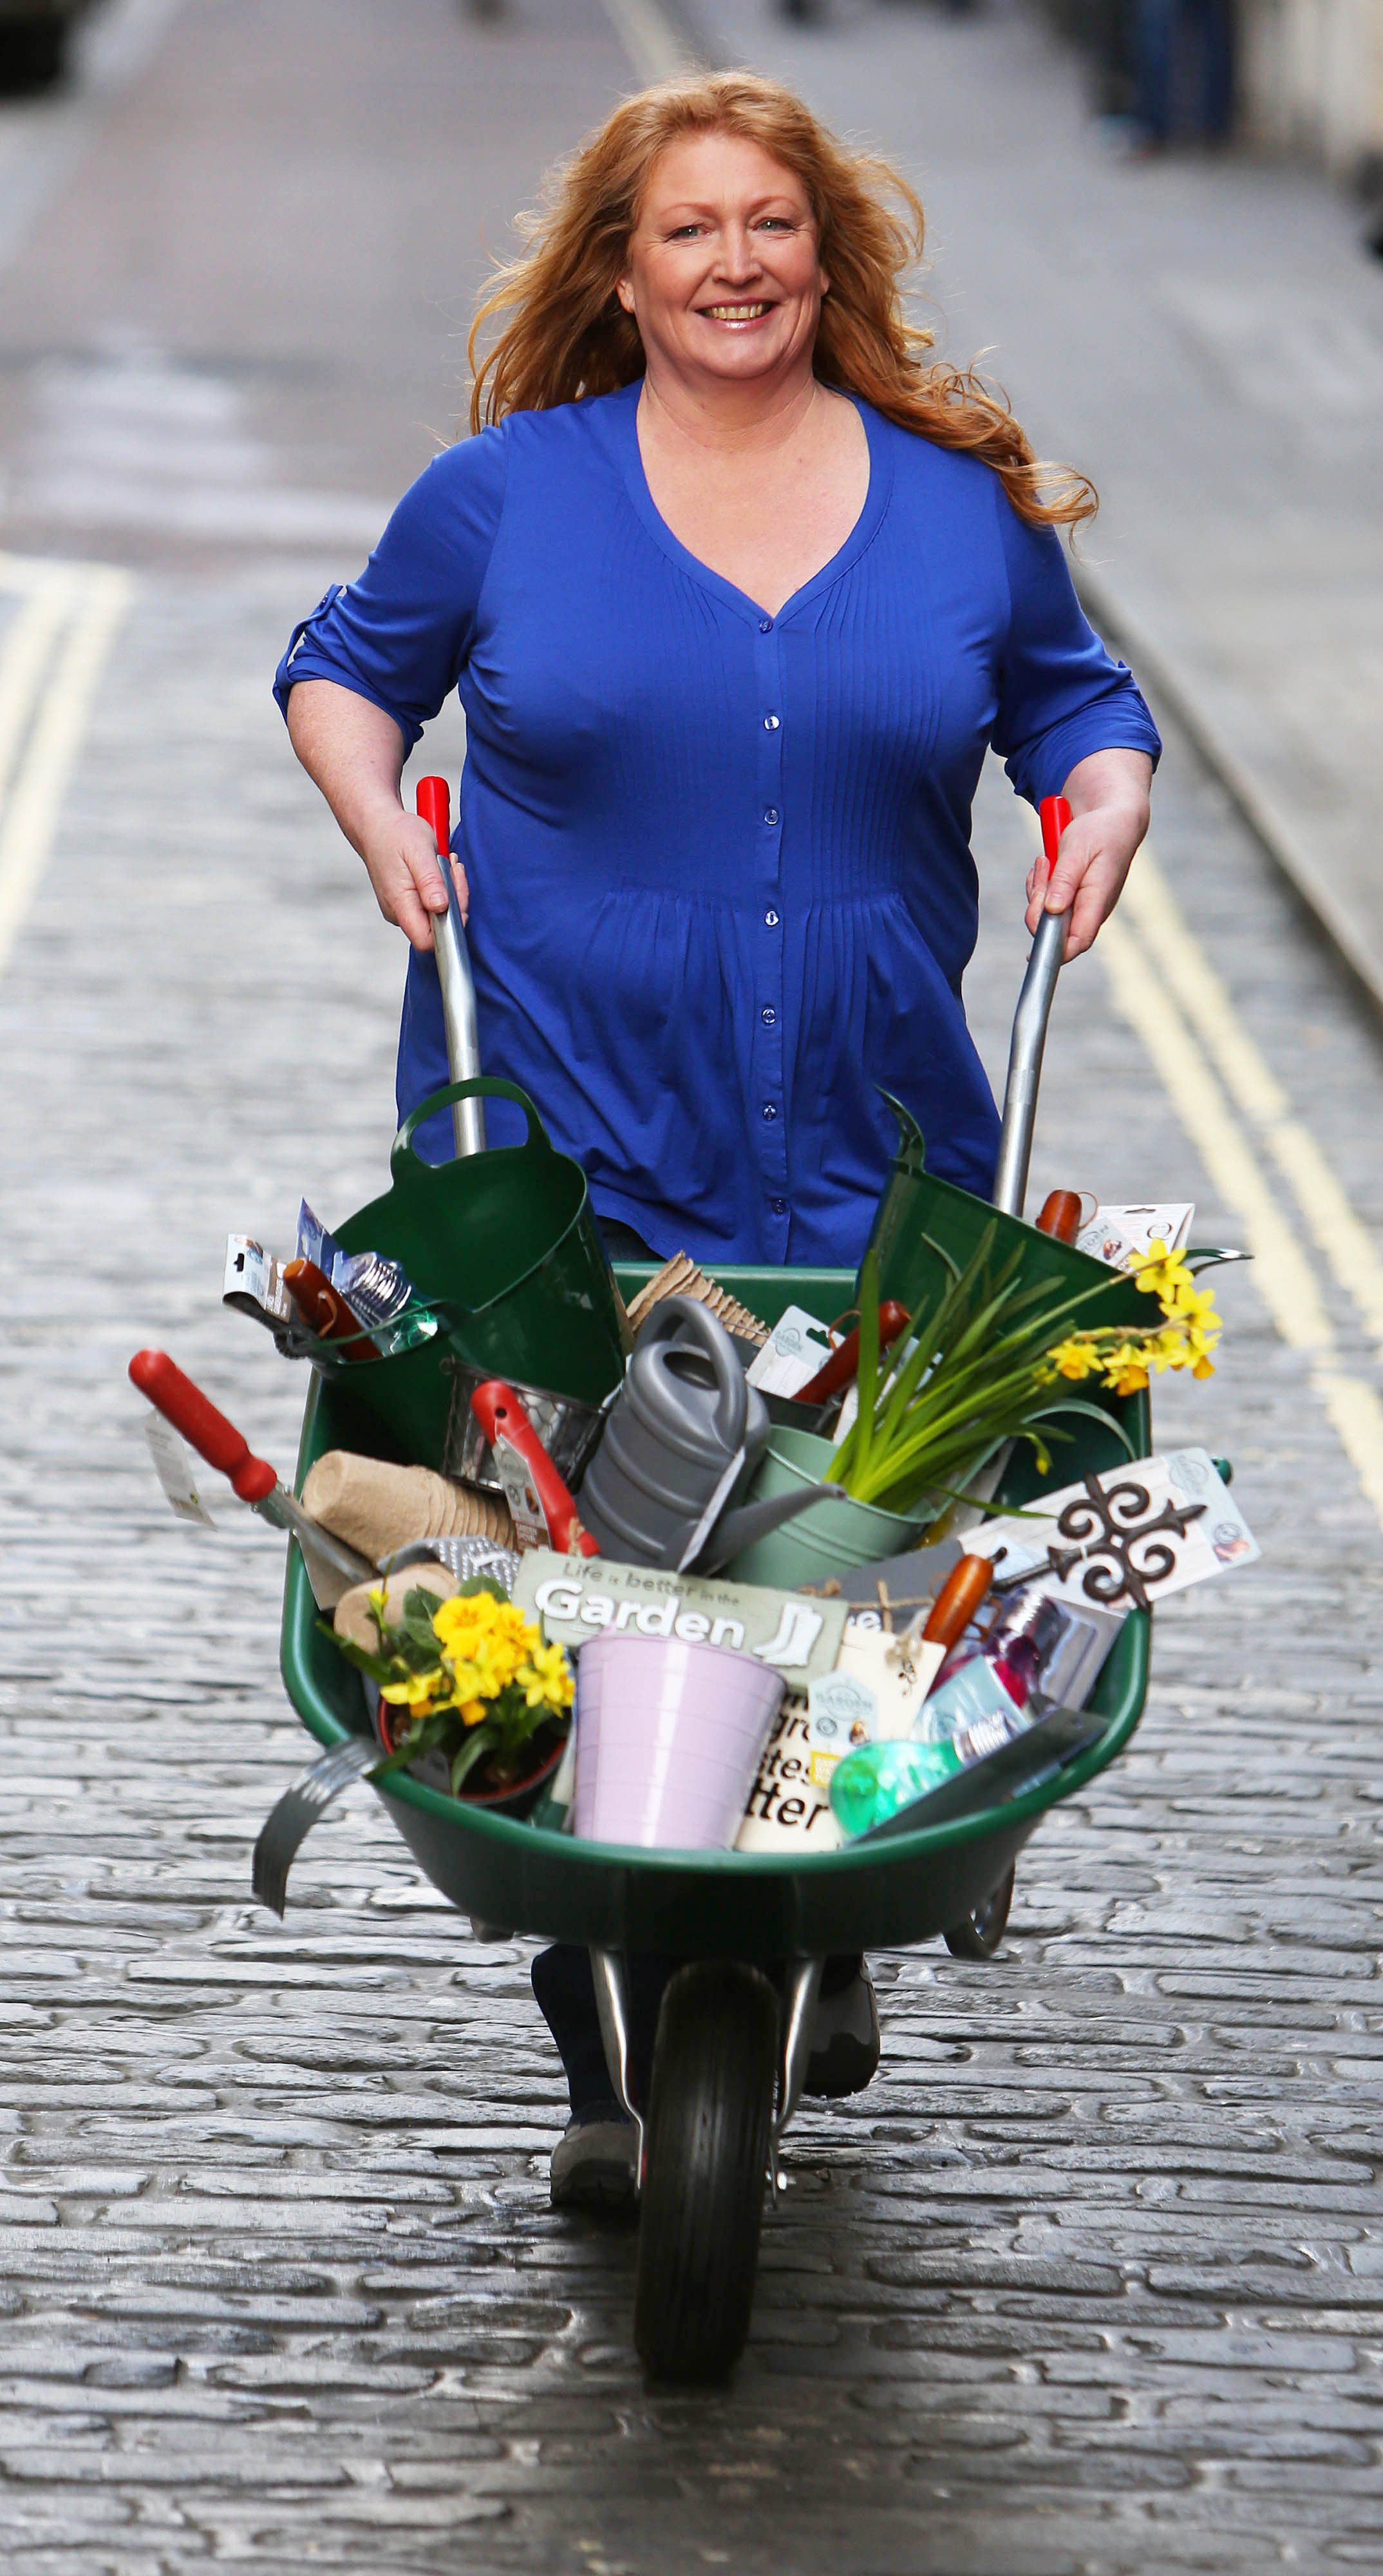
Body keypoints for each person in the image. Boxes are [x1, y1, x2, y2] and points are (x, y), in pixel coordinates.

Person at [274, 71, 1159, 2210]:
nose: (735, 263)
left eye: (772, 225)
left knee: (840, 1542)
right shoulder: (502, 495)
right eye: (688, 230)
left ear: (825, 258)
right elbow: (340, 673)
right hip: (572, 1124)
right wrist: (378, 805)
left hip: (869, 1134)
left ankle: (816, 1888)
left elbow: (1075, 699)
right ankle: (602, 2049)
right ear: (619, 267)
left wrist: (1104, 789)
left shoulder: (954, 507)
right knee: (569, 1581)